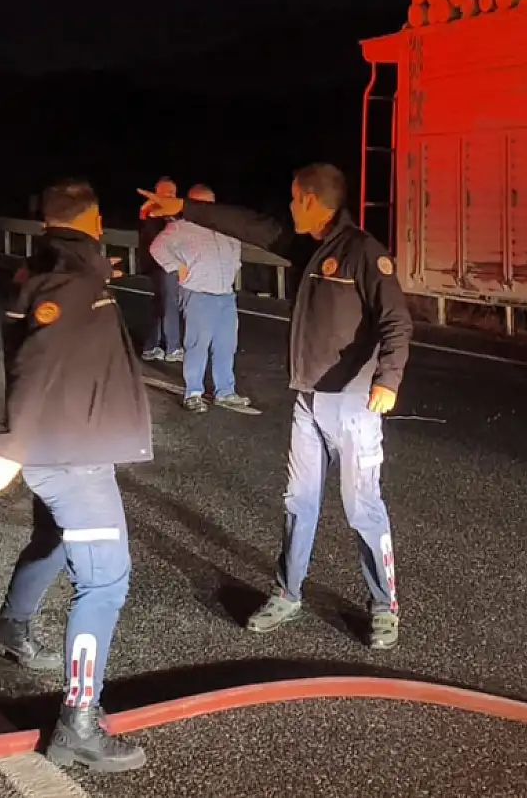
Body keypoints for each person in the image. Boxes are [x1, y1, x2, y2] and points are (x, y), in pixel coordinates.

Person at [139, 162, 413, 649]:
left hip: (353, 404)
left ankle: (383, 605)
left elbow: (396, 321)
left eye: (293, 198)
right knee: (298, 503)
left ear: (310, 199)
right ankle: (288, 592)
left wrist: (387, 380)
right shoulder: (310, 247)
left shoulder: (363, 253)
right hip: (308, 401)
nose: (288, 208)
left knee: (362, 509)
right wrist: (184, 208)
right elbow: (251, 225)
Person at [0, 178, 151, 774]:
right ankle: (79, 722)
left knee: (53, 539)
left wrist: (103, 275)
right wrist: (10, 446)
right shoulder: (68, 281)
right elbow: (40, 357)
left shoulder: (54, 270)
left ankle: (10, 625)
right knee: (104, 585)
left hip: (62, 441)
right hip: (70, 453)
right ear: (96, 221)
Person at [148, 185, 251, 413]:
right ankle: (193, 393)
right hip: (198, 293)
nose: (208, 209)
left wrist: (235, 265)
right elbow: (156, 246)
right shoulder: (181, 228)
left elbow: (237, 247)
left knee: (226, 346)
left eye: (210, 204)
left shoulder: (225, 228)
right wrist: (176, 266)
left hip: (225, 295)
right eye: (202, 204)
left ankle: (225, 391)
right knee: (197, 345)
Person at [137, 176, 184, 363]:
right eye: (166, 193)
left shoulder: (172, 213)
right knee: (169, 304)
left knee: (162, 305)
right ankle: (173, 347)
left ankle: (151, 346)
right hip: (160, 265)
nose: (171, 196)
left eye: (173, 193)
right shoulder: (151, 212)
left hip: (165, 265)